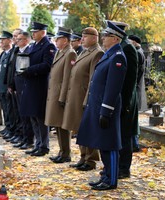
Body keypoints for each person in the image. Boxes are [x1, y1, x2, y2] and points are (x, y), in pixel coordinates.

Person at [77, 21, 127, 190]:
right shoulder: (109, 54)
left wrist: (106, 111)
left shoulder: (118, 56)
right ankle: (105, 175)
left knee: (110, 145)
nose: (103, 38)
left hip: (107, 108)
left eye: (106, 36)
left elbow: (113, 87)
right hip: (98, 105)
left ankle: (111, 180)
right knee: (103, 143)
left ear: (114, 38)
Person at [64, 27, 104, 170]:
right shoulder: (84, 51)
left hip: (84, 97)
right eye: (82, 37)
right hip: (76, 96)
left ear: (94, 38)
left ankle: (91, 159)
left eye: (85, 37)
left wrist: (87, 99)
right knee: (79, 128)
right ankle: (83, 157)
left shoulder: (97, 52)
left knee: (88, 128)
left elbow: (93, 79)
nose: (82, 40)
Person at [20, 21, 57, 156]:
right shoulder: (34, 45)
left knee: (40, 117)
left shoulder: (48, 46)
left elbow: (48, 65)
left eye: (35, 32)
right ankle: (38, 143)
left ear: (43, 32)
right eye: (33, 32)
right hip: (31, 84)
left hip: (40, 86)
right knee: (33, 116)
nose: (33, 34)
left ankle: (44, 146)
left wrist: (29, 70)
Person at [45, 27, 77, 163]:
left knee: (62, 125)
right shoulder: (60, 52)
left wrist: (62, 97)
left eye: (58, 39)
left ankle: (66, 153)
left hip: (60, 94)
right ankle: (61, 151)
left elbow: (67, 77)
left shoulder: (70, 53)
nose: (56, 41)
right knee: (57, 124)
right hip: (55, 92)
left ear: (65, 40)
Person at [113, 21, 139, 179]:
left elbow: (131, 79)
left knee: (125, 134)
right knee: (118, 133)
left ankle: (124, 168)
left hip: (126, 99)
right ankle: (117, 165)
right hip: (119, 98)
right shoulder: (119, 47)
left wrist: (127, 103)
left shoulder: (128, 48)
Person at [11, 31, 35, 150]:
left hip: (26, 86)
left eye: (19, 39)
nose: (17, 41)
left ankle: (29, 139)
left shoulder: (29, 52)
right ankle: (23, 138)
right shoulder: (17, 51)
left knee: (26, 115)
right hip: (18, 86)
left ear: (26, 40)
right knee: (21, 113)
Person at [0, 31, 14, 135]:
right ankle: (7, 127)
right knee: (4, 109)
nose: (1, 41)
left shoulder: (11, 53)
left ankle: (10, 129)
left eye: (3, 39)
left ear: (10, 40)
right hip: (0, 86)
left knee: (9, 110)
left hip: (7, 86)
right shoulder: (3, 54)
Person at [128, 34, 146, 152]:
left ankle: (135, 144)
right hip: (137, 88)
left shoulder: (137, 53)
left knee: (133, 120)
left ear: (134, 42)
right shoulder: (140, 52)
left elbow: (136, 74)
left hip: (135, 88)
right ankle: (135, 143)